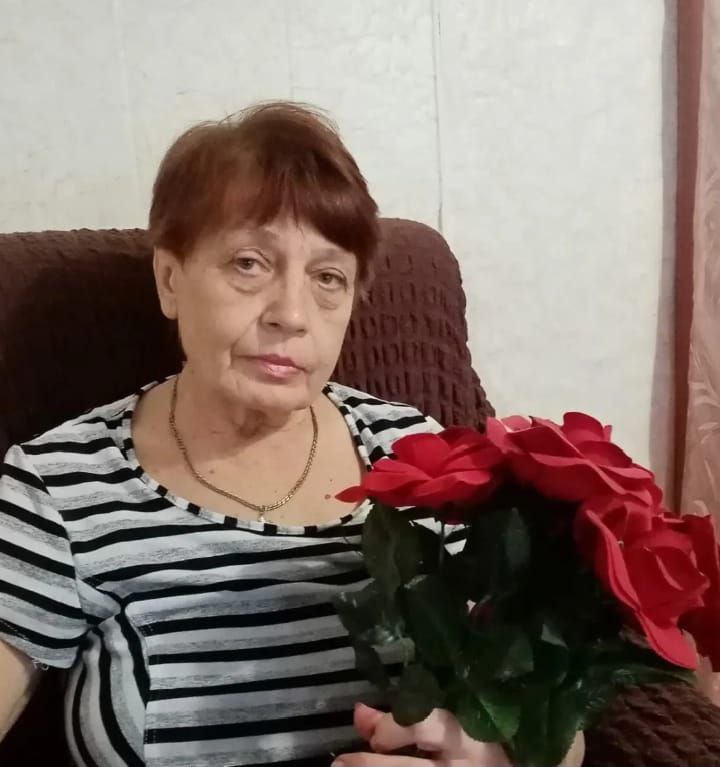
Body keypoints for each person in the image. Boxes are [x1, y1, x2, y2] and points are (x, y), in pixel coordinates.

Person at [0, 102, 582, 767]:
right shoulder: (61, 487)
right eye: (249, 263)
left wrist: (494, 761)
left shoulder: (417, 460)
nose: (292, 314)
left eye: (328, 277)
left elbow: (554, 727)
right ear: (170, 278)